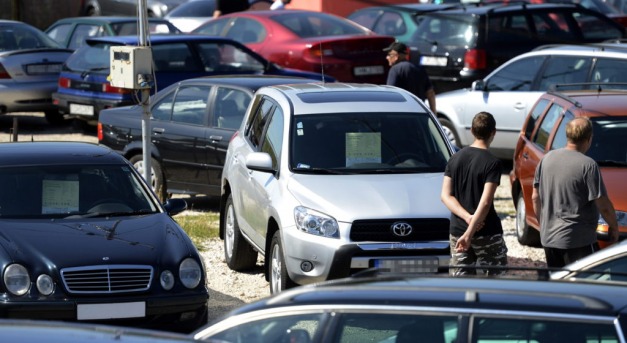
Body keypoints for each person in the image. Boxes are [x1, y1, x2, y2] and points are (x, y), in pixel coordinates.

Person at [532, 117, 618, 269]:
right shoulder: (588, 165)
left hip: (550, 239)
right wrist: (614, 227)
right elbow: (603, 204)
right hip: (578, 241)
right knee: (585, 282)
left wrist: (544, 225)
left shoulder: (546, 159)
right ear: (589, 139)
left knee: (558, 283)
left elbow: (535, 197)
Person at [441, 111, 508, 276]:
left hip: (458, 230)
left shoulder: (454, 158)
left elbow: (445, 196)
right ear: (493, 132)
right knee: (496, 282)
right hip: (487, 232)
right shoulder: (492, 163)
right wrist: (470, 231)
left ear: (472, 130)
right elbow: (485, 203)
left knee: (461, 284)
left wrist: (467, 218)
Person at [383, 42, 436, 113]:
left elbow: (390, 94)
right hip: (420, 114)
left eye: (389, 54)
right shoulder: (420, 69)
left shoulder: (395, 70)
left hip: (402, 114)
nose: (387, 57)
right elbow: (430, 93)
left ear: (396, 56)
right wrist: (434, 114)